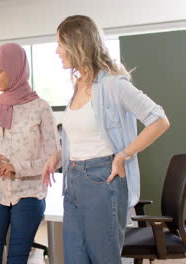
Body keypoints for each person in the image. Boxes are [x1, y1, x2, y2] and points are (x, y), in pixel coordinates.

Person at [42, 15, 170, 264]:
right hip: (73, 180)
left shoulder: (113, 84)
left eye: (60, 43)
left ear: (77, 44)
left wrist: (123, 154)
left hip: (102, 180)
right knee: (76, 259)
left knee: (104, 260)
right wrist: (58, 155)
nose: (57, 51)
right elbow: (81, 132)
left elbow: (159, 120)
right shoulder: (79, 84)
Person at [0, 43, 60, 264]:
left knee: (17, 259)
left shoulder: (40, 108)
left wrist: (17, 167)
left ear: (16, 69)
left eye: (0, 70)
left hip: (29, 194)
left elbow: (54, 157)